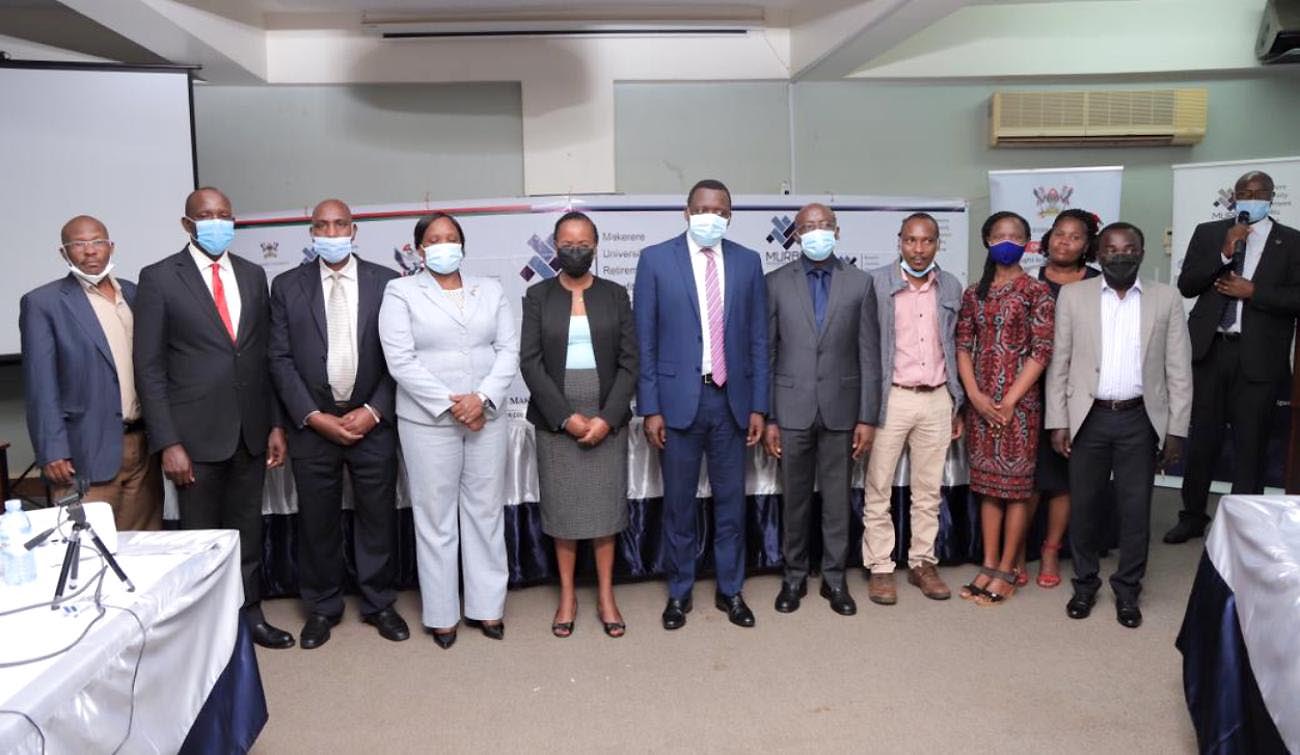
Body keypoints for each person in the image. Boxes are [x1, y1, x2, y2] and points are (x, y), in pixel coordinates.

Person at [134, 187, 292, 648]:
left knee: (247, 531)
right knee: (201, 539)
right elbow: (150, 367)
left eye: (224, 214)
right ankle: (206, 633)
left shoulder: (252, 273)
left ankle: (250, 615)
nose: (217, 222)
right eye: (206, 215)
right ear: (187, 223)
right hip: (193, 437)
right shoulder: (160, 278)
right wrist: (167, 442)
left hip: (250, 430)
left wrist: (276, 424)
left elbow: (264, 357)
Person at [268, 199, 409, 649]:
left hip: (374, 422)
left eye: (339, 225)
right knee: (317, 521)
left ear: (355, 228)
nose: (331, 233)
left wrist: (373, 411)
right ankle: (323, 607)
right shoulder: (286, 285)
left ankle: (379, 602)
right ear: (310, 231)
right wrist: (312, 416)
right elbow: (280, 358)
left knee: (377, 519)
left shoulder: (388, 283)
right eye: (321, 226)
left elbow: (400, 358)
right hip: (314, 426)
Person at [378, 212, 519, 648]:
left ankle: (487, 608)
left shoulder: (490, 289)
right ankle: (442, 615)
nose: (444, 245)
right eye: (434, 239)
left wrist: (483, 399)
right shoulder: (400, 291)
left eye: (451, 238)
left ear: (463, 245)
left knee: (485, 512)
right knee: (436, 518)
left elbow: (507, 349)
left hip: (487, 416)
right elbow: (400, 360)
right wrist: (452, 404)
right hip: (428, 422)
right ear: (419, 249)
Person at [633, 178, 768, 630]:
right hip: (676, 404)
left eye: (721, 210)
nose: (712, 216)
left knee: (731, 504)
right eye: (703, 208)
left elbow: (758, 341)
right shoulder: (655, 260)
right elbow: (645, 341)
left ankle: (731, 590)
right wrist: (650, 407)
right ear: (687, 212)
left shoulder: (748, 263)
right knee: (679, 505)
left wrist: (759, 407)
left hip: (731, 401)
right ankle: (679, 592)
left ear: (729, 216)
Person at [1047, 222, 1192, 628]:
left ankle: (1128, 590)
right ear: (1098, 253)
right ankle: (1085, 583)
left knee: (1134, 511)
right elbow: (1059, 364)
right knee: (1086, 507)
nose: (1120, 255)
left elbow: (1179, 369)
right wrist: (1057, 421)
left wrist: (1176, 429)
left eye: (1129, 248)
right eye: (1111, 249)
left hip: (1139, 419)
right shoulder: (1075, 297)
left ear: (1142, 253)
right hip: (1088, 418)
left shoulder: (1166, 299)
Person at [520, 211, 637, 638]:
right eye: (567, 243)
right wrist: (566, 417)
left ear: (596, 246)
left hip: (607, 413)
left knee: (605, 509)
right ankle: (567, 596)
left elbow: (630, 362)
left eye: (583, 243)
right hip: (557, 418)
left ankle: (606, 595)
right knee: (564, 510)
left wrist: (607, 418)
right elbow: (529, 363)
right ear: (554, 246)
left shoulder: (615, 294)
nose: (575, 250)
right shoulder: (537, 297)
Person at [1168, 170, 1300, 543]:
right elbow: (1188, 284)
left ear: (1272, 197)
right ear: (1235, 197)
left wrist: (1253, 291)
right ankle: (1192, 516)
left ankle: (1244, 525)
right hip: (1210, 351)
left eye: (1259, 192)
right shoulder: (1210, 233)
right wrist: (1225, 252)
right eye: (1244, 191)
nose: (1251, 196)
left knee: (1251, 444)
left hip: (1258, 357)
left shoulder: (1291, 242)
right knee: (1203, 442)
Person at [763, 203, 872, 616]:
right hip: (790, 410)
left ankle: (834, 580)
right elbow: (767, 353)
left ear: (837, 231)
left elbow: (869, 354)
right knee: (794, 500)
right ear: (795, 233)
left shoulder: (860, 284)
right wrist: (769, 415)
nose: (817, 232)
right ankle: (793, 578)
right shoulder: (774, 283)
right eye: (808, 226)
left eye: (824, 225)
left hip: (842, 410)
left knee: (837, 500)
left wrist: (867, 416)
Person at [21, 215, 162, 531]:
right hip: (84, 452)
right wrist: (52, 450)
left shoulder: (135, 295)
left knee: (145, 548)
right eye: (79, 244)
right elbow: (40, 385)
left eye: (97, 242)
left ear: (110, 247)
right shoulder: (44, 303)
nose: (90, 251)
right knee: (89, 554)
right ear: (64, 253)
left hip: (142, 447)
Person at [861, 213, 965, 606]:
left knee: (927, 491)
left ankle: (923, 562)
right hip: (892, 396)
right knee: (878, 487)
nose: (918, 250)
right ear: (899, 241)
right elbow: (866, 348)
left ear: (938, 243)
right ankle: (881, 567)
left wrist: (957, 403)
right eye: (911, 241)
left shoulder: (951, 285)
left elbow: (956, 346)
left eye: (927, 241)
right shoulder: (875, 284)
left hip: (937, 397)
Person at [955, 211, 1055, 605]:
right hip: (980, 404)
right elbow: (963, 346)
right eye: (1000, 235)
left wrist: (1009, 400)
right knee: (987, 488)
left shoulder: (1037, 291)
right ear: (987, 241)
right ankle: (989, 562)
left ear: (1028, 243)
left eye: (1016, 235)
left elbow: (1042, 350)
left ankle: (1008, 568)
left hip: (1020, 406)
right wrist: (976, 397)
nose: (1007, 241)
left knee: (1015, 490)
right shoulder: (972, 292)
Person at [1024, 210, 1101, 588]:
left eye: (1074, 237)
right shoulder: (1027, 282)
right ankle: (1021, 550)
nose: (1064, 242)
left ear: (1088, 245)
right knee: (1032, 476)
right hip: (1031, 391)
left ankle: (1052, 548)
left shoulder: (1100, 284)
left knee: (1065, 477)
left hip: (1081, 392)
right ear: (1047, 238)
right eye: (1058, 234)